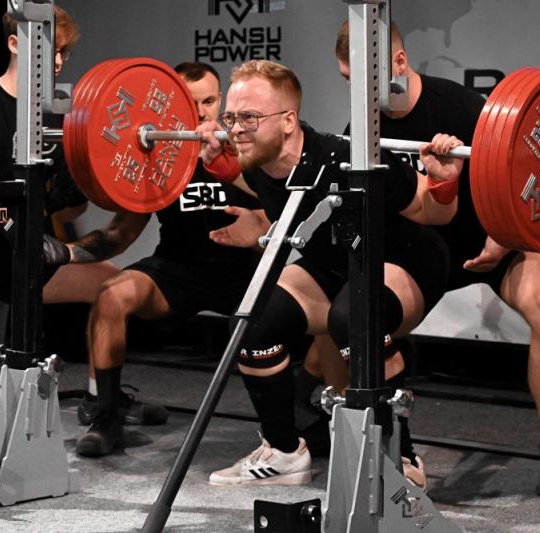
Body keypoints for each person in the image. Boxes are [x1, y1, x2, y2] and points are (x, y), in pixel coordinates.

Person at [333, 20, 540, 497]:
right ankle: (392, 449)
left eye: (363, 80)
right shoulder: (361, 132)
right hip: (426, 251)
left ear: (399, 62)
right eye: (348, 81)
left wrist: (504, 236)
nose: (356, 93)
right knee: (356, 313)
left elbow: (527, 179)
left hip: (497, 236)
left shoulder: (462, 106)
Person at [197, 59, 462, 486]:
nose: (236, 129)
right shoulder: (259, 161)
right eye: (230, 118)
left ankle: (401, 457)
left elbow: (436, 212)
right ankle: (284, 452)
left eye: (249, 118)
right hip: (335, 264)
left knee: (353, 318)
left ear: (288, 121)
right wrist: (220, 165)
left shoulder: (349, 159)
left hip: (406, 260)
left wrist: (445, 180)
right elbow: (259, 185)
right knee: (252, 324)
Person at [43, 61, 268, 457]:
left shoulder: (247, 152)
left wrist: (258, 228)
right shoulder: (159, 156)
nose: (200, 112)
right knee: (112, 295)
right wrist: (66, 252)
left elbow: (281, 214)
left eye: (209, 101)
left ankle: (300, 419)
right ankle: (106, 416)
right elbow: (119, 235)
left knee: (313, 302)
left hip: (243, 273)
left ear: (222, 101)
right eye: (190, 103)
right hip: (178, 270)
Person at [0, 6, 120, 381]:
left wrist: (77, 192)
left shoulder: (60, 117)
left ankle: (100, 401)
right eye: (49, 50)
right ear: (14, 44)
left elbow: (68, 212)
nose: (58, 62)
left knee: (115, 288)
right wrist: (39, 207)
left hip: (29, 253)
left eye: (63, 52)